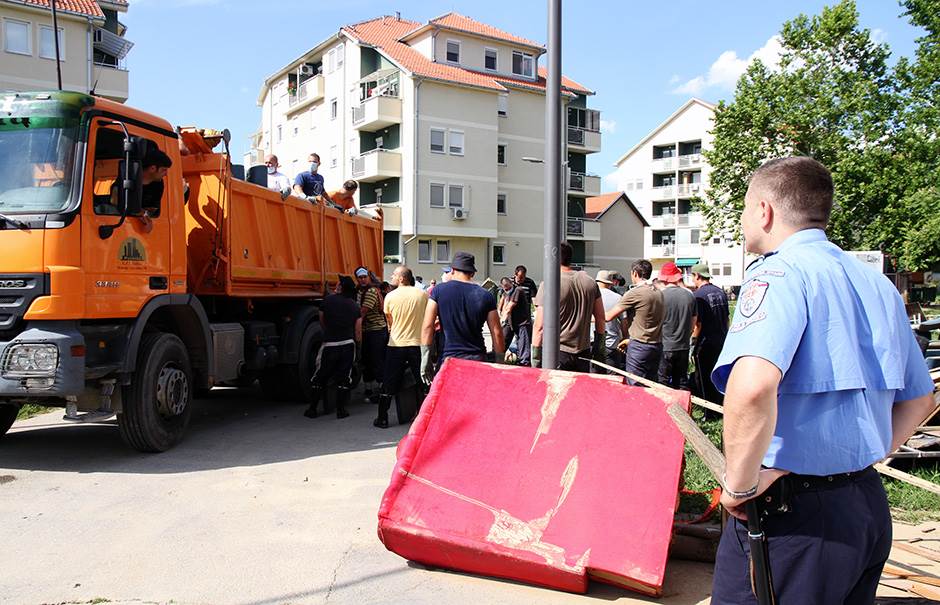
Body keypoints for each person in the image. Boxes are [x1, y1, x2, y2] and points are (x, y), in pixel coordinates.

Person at [710, 157, 935, 604]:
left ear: (764, 211)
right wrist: (862, 454)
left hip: (792, 516)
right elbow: (921, 397)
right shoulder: (877, 284)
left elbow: (752, 387)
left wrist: (739, 485)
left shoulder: (778, 273)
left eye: (744, 208)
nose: (741, 220)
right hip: (865, 504)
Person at [421, 252, 505, 382]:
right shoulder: (485, 295)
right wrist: (500, 362)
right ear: (472, 273)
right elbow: (497, 332)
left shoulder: (438, 291)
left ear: (453, 270)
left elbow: (427, 326)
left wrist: (425, 360)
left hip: (448, 359)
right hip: (477, 359)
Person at [532, 242, 605, 372]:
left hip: (557, 353)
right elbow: (600, 318)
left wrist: (536, 360)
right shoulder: (590, 282)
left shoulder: (549, 284)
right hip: (583, 352)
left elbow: (539, 326)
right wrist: (599, 351)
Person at [374, 265, 428, 429]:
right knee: (422, 380)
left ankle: (382, 418)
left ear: (402, 278)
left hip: (396, 344)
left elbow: (389, 321)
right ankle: (425, 418)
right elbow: (427, 317)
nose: (391, 276)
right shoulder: (423, 295)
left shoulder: (390, 296)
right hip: (417, 344)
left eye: (394, 274)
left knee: (389, 380)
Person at [304, 276, 361, 419]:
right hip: (348, 344)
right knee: (344, 377)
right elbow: (358, 330)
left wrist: (329, 332)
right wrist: (358, 347)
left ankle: (312, 409)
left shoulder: (327, 301)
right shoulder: (354, 305)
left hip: (329, 344)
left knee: (320, 375)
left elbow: (321, 319)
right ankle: (341, 410)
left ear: (340, 287)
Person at [606, 259, 664, 384]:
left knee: (635, 386)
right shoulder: (658, 292)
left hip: (639, 346)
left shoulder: (634, 293)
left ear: (635, 273)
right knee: (651, 385)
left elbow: (608, 317)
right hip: (656, 345)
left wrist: (590, 317)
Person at [690, 263, 729, 404]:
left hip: (705, 342)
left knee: (703, 376)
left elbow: (698, 324)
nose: (692, 280)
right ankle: (720, 403)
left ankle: (709, 409)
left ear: (697, 276)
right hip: (721, 339)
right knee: (718, 375)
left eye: (693, 276)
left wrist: (693, 342)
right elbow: (726, 319)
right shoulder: (721, 292)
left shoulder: (698, 296)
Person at [655, 262, 696, 390]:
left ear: (663, 278)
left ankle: (664, 409)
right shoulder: (689, 295)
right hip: (683, 346)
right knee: (682, 381)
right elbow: (693, 322)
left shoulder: (659, 296)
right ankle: (683, 408)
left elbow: (655, 322)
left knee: (663, 382)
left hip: (665, 345)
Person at [355, 266, 387, 402]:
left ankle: (381, 391)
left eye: (364, 277)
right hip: (367, 331)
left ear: (368, 277)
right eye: (360, 277)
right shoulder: (360, 291)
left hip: (376, 331)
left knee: (376, 361)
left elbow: (362, 312)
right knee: (366, 361)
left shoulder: (371, 291)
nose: (362, 279)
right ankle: (368, 389)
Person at [594, 269, 627, 374]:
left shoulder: (589, 296)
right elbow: (624, 321)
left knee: (594, 379)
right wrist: (625, 338)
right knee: (612, 379)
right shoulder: (618, 298)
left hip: (592, 342)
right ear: (609, 283)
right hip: (611, 344)